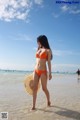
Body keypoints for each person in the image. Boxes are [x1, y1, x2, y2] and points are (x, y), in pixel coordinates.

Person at [32, 35, 53, 110]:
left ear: (41, 41)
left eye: (38, 41)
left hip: (43, 71)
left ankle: (48, 100)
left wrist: (50, 73)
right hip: (36, 70)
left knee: (44, 88)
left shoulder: (48, 51)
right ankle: (33, 106)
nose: (37, 43)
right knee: (34, 88)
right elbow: (37, 61)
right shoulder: (38, 49)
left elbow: (49, 63)